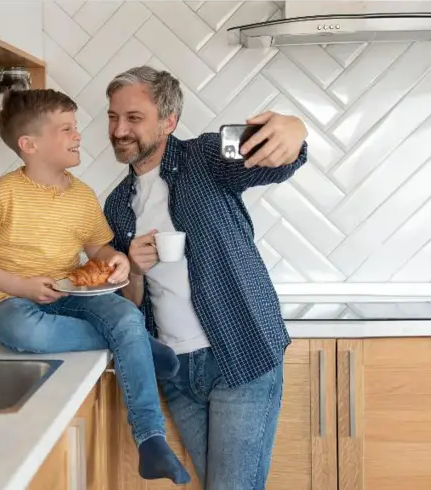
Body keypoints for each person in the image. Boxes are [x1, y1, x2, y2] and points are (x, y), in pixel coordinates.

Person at [0, 89, 191, 484]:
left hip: (74, 295)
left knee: (125, 313)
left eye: (76, 127)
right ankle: (136, 343)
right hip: (16, 300)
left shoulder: (81, 195)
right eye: (66, 129)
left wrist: (114, 259)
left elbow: (97, 247)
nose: (78, 135)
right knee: (24, 330)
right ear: (29, 145)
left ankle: (151, 440)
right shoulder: (2, 194)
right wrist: (23, 286)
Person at [102, 66, 309, 489]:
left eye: (133, 118)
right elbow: (130, 304)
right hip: (175, 371)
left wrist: (294, 130)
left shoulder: (207, 158)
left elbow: (270, 162)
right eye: (113, 117)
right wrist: (134, 270)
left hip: (239, 354)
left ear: (169, 121)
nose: (119, 129)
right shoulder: (117, 205)